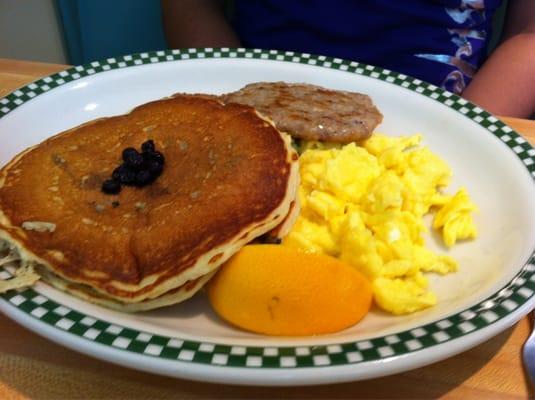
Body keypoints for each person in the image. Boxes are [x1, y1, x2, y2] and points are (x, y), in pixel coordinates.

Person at [161, 0, 535, 118]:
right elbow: (190, 5)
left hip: (448, 112)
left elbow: (529, 34)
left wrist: (462, 135)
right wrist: (232, 114)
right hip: (256, 105)